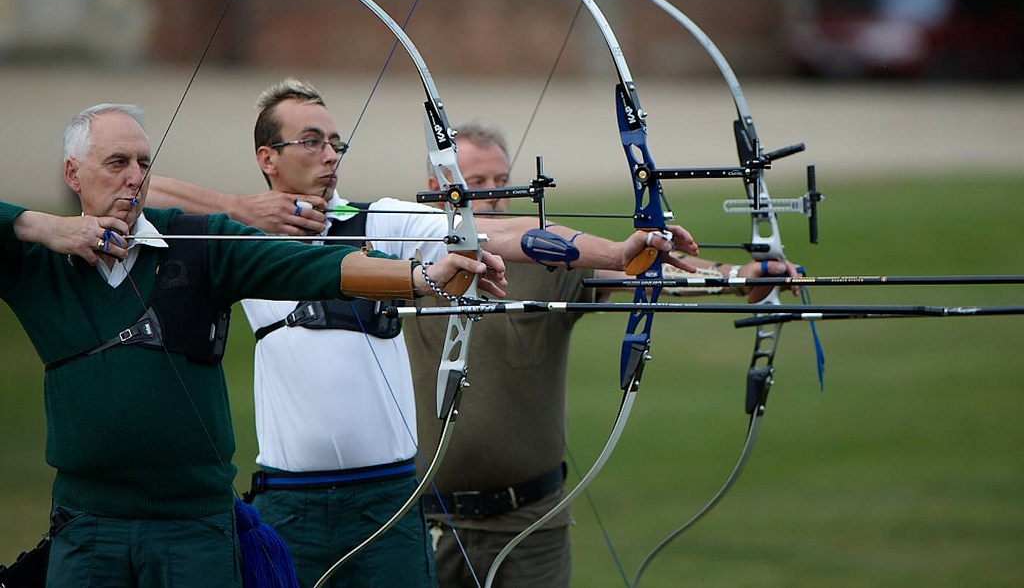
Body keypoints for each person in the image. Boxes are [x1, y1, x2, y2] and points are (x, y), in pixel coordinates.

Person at [144, 78, 700, 588]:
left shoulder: (380, 221)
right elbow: (125, 191)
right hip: (289, 504)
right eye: (311, 141)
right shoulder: (233, 237)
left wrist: (618, 250)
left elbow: (503, 232)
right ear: (268, 158)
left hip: (388, 500)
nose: (330, 155)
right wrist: (237, 208)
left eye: (335, 142)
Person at [0, 102, 505, 588]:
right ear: (73, 174)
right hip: (88, 529)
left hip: (194, 529)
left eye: (143, 163)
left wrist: (421, 276)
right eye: (117, 162)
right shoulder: (39, 263)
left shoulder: (202, 242)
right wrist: (39, 225)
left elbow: (313, 266)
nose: (135, 176)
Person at [402, 121, 801, 588]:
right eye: (477, 184)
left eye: (500, 179)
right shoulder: (404, 261)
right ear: (437, 189)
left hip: (531, 521)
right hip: (426, 522)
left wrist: (737, 276)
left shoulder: (549, 257)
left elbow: (647, 274)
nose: (495, 193)